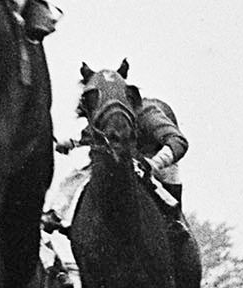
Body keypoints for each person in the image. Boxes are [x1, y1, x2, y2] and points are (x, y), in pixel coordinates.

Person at [51, 65, 188, 222]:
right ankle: (56, 214)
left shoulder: (149, 113)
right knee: (81, 175)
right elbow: (90, 137)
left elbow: (178, 141)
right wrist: (71, 143)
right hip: (124, 160)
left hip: (157, 163)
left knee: (171, 207)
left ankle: (177, 227)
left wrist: (154, 163)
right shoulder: (106, 117)